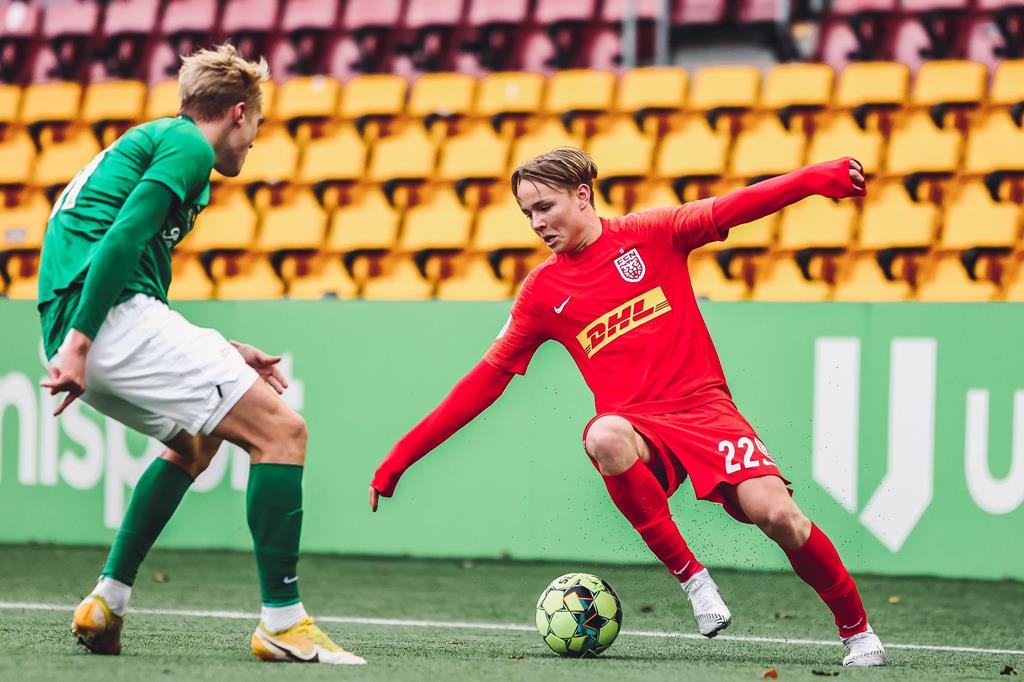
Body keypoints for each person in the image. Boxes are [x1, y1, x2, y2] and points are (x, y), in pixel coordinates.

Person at [370, 147, 885, 667]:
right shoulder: (542, 292)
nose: (537, 222)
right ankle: (695, 583)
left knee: (779, 516)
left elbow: (735, 205)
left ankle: (858, 633)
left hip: (705, 410)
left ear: (583, 195)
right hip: (638, 428)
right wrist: (400, 459)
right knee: (603, 435)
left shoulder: (653, 233)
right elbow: (483, 383)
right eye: (528, 213)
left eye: (545, 207)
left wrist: (814, 178)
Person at [39, 44, 365, 665]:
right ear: (238, 113)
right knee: (282, 431)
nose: (252, 144)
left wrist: (224, 348)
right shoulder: (188, 146)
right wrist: (81, 344)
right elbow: (120, 240)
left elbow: (139, 275)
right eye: (258, 129)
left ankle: (107, 600)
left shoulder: (158, 145)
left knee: (195, 440)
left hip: (83, 322)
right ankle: (283, 622)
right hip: (98, 323)